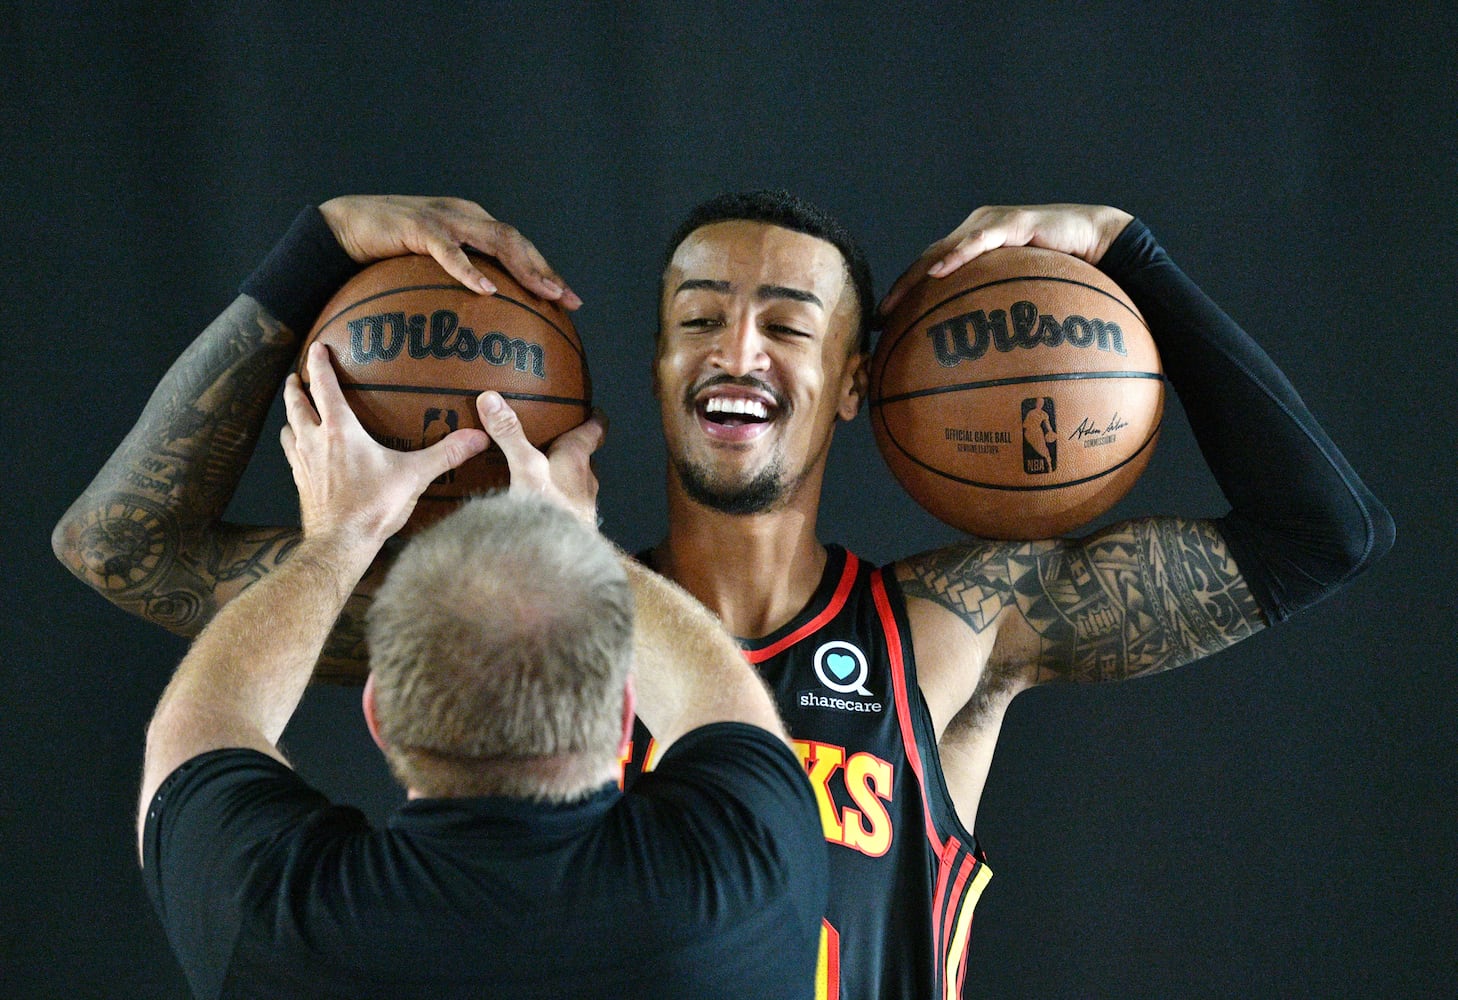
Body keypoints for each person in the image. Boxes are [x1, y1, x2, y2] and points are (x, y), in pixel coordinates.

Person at [55, 193, 1395, 998]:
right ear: (648, 371)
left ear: (860, 383)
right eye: (695, 316)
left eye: (785, 322)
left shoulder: (949, 630)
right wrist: (312, 262)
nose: (734, 345)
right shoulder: (513, 621)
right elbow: (118, 548)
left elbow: (1317, 533)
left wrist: (1124, 251)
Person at [132, 338, 827, 999]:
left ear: (380, 714)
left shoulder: (277, 925)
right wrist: (569, 537)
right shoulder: (746, 881)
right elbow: (722, 696)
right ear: (622, 711)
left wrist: (342, 535)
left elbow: (198, 721)